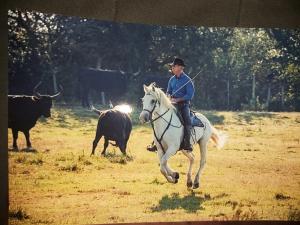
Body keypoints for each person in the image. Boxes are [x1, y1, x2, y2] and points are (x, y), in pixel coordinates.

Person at [147, 57, 195, 152]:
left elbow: (190, 95)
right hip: (171, 104)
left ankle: (187, 143)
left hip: (183, 105)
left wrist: (177, 99)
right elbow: (168, 91)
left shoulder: (188, 80)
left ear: (180, 68)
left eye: (174, 66)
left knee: (187, 121)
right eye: (172, 67)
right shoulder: (171, 79)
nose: (172, 68)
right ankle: (155, 143)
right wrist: (168, 97)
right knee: (159, 117)